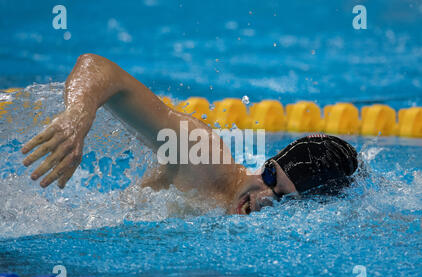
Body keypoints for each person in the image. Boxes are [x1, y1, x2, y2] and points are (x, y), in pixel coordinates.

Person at [21, 54, 358, 215]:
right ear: (266, 163)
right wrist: (78, 117)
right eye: (270, 174)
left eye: (281, 197)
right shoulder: (200, 154)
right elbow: (97, 67)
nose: (263, 194)